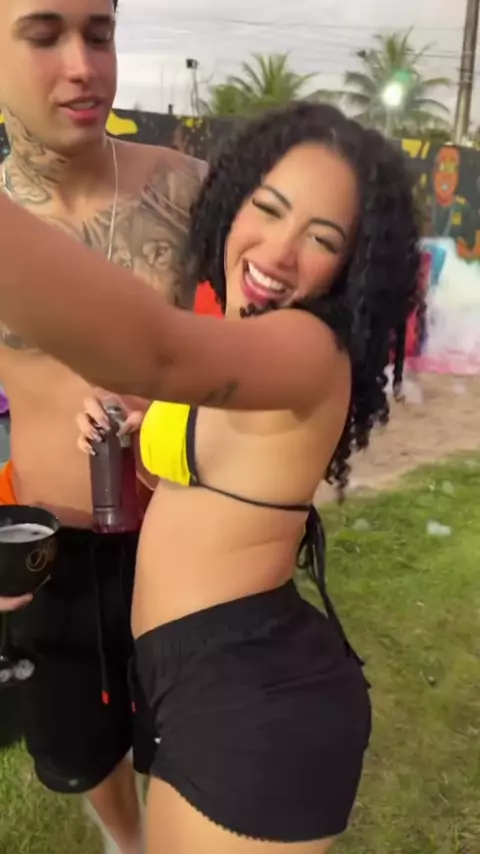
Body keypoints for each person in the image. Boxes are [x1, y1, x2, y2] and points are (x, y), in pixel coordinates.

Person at [0, 102, 421, 853]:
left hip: (252, 691)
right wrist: (134, 427)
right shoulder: (239, 337)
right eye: (270, 208)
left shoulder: (307, 349)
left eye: (322, 239)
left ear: (351, 267)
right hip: (184, 674)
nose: (279, 253)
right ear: (233, 200)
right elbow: (195, 457)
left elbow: (153, 352)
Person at [0, 0, 204, 851]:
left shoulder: (189, 190)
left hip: (187, 536)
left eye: (100, 33)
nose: (82, 66)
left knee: (197, 742)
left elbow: (260, 344)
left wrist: (181, 410)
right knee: (82, 752)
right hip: (49, 556)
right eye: (44, 35)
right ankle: (130, 844)